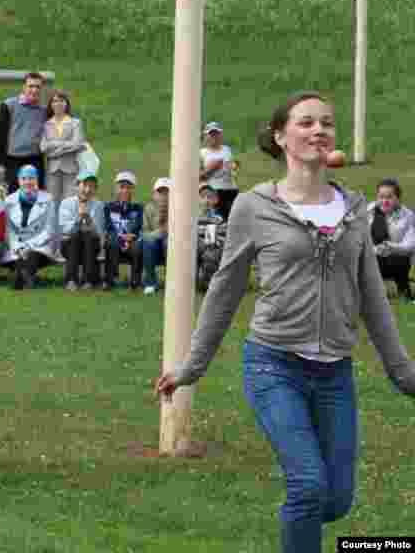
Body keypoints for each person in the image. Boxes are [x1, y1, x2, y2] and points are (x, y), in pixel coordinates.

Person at [155, 90, 415, 553]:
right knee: (308, 487)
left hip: (334, 373)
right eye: (307, 123)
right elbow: (225, 288)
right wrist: (191, 368)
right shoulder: (254, 207)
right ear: (281, 137)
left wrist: (404, 375)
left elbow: (373, 297)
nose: (320, 130)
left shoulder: (355, 211)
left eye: (327, 123)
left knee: (334, 501)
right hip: (274, 367)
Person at [0, 165, 63, 290]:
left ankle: (23, 279)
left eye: (31, 178)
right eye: (24, 178)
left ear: (37, 180)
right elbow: (8, 231)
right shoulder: (8, 201)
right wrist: (18, 247)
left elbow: (49, 230)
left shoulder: (48, 199)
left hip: (41, 245)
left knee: (32, 254)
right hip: (16, 246)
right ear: (18, 181)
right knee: (20, 255)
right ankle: (24, 279)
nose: (28, 182)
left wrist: (29, 246)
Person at [0, 72, 48, 194]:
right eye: (31, 86)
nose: (34, 90)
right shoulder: (9, 105)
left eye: (38, 87)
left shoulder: (44, 110)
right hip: (13, 160)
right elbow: (0, 136)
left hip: (35, 160)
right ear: (24, 87)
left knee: (34, 196)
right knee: (13, 195)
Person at [59, 169, 106, 291]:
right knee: (75, 236)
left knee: (89, 236)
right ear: (76, 186)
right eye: (84, 185)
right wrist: (78, 219)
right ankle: (71, 280)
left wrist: (89, 219)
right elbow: (64, 229)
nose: (88, 190)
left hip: (91, 244)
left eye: (92, 186)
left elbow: (99, 233)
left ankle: (88, 280)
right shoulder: (66, 203)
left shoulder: (99, 205)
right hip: (69, 244)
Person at [369, 178, 415, 302]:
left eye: (389, 197)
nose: (384, 201)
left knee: (401, 259)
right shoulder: (369, 212)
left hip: (397, 259)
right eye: (381, 197)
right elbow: (359, 238)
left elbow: (410, 245)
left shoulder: (408, 216)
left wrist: (392, 247)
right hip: (372, 258)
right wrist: (374, 250)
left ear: (398, 198)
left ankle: (404, 291)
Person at [40, 89, 85, 204]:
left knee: (70, 201)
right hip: (52, 169)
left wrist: (55, 145)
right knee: (52, 201)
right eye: (54, 101)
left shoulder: (75, 123)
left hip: (71, 168)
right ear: (50, 104)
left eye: (61, 100)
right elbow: (43, 147)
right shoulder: (46, 124)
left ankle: (68, 222)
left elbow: (78, 144)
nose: (58, 104)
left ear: (66, 104)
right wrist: (65, 146)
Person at [102, 170, 144, 291]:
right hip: (115, 240)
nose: (125, 191)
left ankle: (135, 282)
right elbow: (108, 226)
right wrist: (121, 238)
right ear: (116, 189)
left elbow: (138, 226)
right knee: (111, 241)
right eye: (121, 187)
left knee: (138, 247)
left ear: (133, 190)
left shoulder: (138, 208)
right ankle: (110, 279)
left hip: (132, 241)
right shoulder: (108, 207)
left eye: (128, 188)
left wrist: (131, 237)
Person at [200, 121, 239, 221]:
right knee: (218, 220)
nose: (214, 137)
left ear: (221, 135)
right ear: (205, 136)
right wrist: (211, 169)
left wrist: (234, 166)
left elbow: (233, 165)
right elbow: (197, 177)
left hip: (231, 190)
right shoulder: (202, 153)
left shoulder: (227, 149)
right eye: (211, 134)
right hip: (214, 192)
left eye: (216, 134)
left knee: (233, 219)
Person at [142, 177, 171, 295]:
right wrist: (160, 232)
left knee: (169, 243)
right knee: (149, 242)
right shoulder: (149, 209)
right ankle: (150, 282)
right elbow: (144, 232)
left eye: (167, 193)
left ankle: (171, 282)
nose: (164, 196)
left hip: (169, 243)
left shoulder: (178, 209)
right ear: (154, 195)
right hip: (153, 244)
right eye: (160, 193)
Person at [196, 182, 226, 294]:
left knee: (212, 254)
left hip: (212, 248)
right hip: (194, 246)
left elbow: (223, 234)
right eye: (202, 196)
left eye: (210, 197)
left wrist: (217, 238)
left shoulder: (218, 218)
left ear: (215, 200)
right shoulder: (190, 216)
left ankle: (207, 284)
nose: (206, 200)